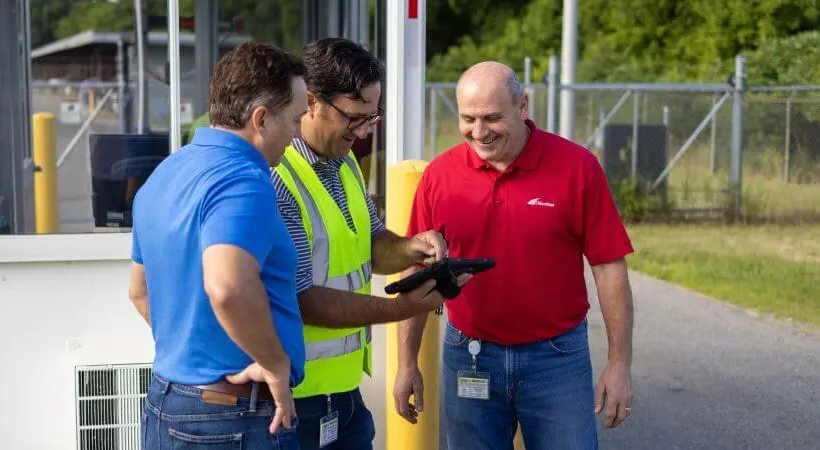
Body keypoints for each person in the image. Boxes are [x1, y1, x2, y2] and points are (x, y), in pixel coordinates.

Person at [393, 61, 636, 449]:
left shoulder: (577, 168)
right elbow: (417, 271)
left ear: (522, 107)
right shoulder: (439, 176)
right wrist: (408, 363)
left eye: (492, 117)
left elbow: (609, 268)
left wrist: (619, 363)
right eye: (468, 118)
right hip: (469, 355)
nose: (479, 131)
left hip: (557, 360)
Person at [270, 37, 467, 449]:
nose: (361, 133)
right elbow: (303, 297)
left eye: (372, 118)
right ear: (311, 102)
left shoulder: (344, 166)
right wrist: (402, 309)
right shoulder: (278, 176)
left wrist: (414, 248)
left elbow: (373, 242)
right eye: (353, 118)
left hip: (343, 393)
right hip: (292, 401)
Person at [128, 41, 309, 449]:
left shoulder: (167, 171)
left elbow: (139, 292)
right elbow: (226, 286)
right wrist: (275, 365)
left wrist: (195, 355)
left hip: (167, 401)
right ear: (260, 119)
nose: (297, 134)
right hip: (230, 418)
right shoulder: (243, 178)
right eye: (295, 120)